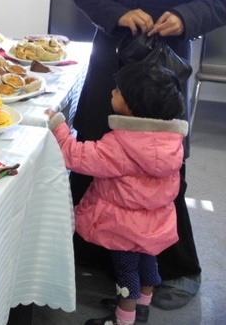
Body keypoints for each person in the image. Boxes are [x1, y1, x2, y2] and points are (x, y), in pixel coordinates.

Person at [65, 0, 226, 310]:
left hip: (164, 65)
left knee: (160, 162)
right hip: (112, 55)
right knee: (96, 147)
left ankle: (175, 265)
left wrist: (186, 17)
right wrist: (115, 12)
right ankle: (91, 249)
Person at [47, 63, 188, 325]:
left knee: (126, 273)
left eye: (119, 91)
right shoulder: (171, 142)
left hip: (124, 228)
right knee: (148, 261)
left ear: (133, 106)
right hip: (155, 222)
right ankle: (143, 305)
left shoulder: (120, 145)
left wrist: (57, 125)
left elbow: (75, 157)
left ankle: (124, 317)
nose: (112, 92)